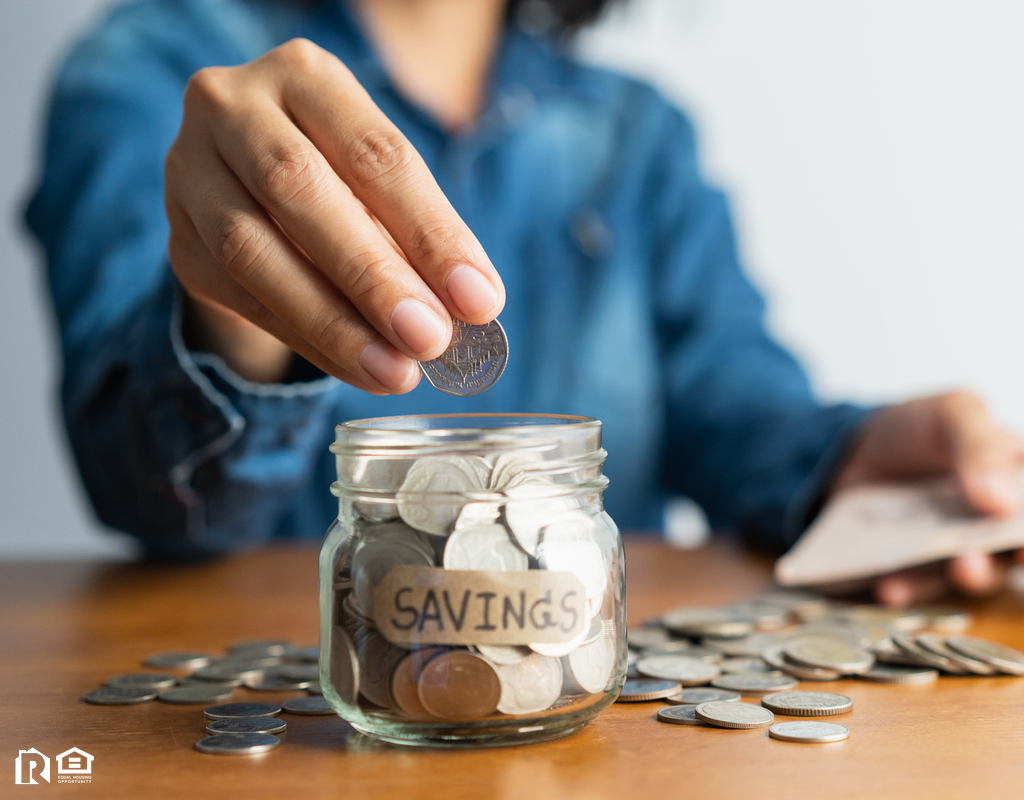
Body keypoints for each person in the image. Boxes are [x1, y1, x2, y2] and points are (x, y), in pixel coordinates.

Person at [26, 0, 1023, 605]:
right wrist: (234, 305)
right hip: (296, 714)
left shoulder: (639, 134)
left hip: (576, 698)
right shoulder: (156, 71)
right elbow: (149, 493)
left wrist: (851, 456)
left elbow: (731, 406)